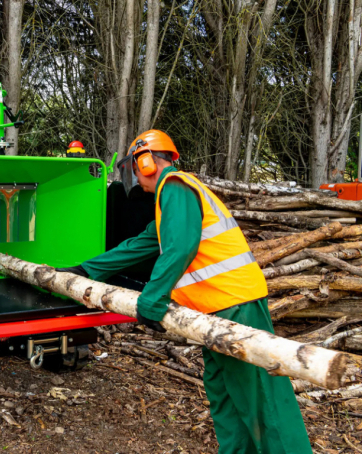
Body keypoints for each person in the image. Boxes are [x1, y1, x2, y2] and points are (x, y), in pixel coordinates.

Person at [58, 130, 312, 453]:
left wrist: (152, 298)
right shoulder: (168, 203)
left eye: (135, 167)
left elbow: (181, 247)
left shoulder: (175, 188)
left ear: (147, 161)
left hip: (236, 305)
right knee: (226, 399)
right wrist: (86, 270)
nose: (134, 175)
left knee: (265, 404)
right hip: (214, 312)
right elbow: (139, 245)